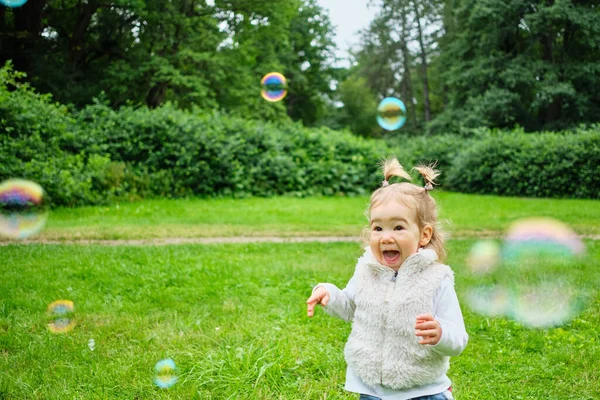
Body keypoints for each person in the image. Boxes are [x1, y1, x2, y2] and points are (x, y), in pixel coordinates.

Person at [306, 158, 468, 400]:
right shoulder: (366, 270)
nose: (386, 237)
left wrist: (440, 333)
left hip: (422, 390)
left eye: (398, 228)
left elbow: (458, 337)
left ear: (424, 235)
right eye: (378, 228)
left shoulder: (437, 279)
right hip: (372, 390)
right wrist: (329, 293)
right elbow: (350, 306)